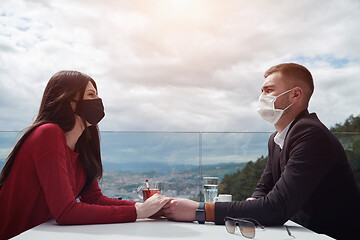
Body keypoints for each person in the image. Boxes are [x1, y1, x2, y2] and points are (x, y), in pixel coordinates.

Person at [161, 63, 360, 240]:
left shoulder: (310, 134)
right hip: (300, 232)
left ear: (295, 95)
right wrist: (254, 207)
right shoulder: (276, 139)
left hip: (328, 235)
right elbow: (263, 189)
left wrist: (199, 210)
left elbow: (276, 207)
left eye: (269, 90)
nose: (262, 96)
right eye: (262, 91)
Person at [0, 71, 170, 239]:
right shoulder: (48, 133)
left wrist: (147, 208)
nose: (98, 102)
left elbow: (94, 198)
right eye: (91, 94)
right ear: (69, 101)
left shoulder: (82, 146)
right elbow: (65, 212)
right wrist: (138, 211)